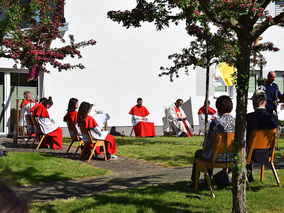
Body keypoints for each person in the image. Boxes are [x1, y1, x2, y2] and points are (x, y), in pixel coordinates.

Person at [189, 95, 235, 186]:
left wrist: (204, 148)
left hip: (216, 157)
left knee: (200, 152)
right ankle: (225, 176)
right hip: (232, 156)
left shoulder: (216, 123)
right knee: (211, 150)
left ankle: (199, 180)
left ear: (218, 108)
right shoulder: (237, 122)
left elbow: (208, 142)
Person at [246, 90, 278, 182]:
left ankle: (248, 175)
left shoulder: (249, 117)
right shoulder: (273, 118)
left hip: (251, 154)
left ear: (253, 103)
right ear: (266, 102)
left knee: (245, 144)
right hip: (267, 153)